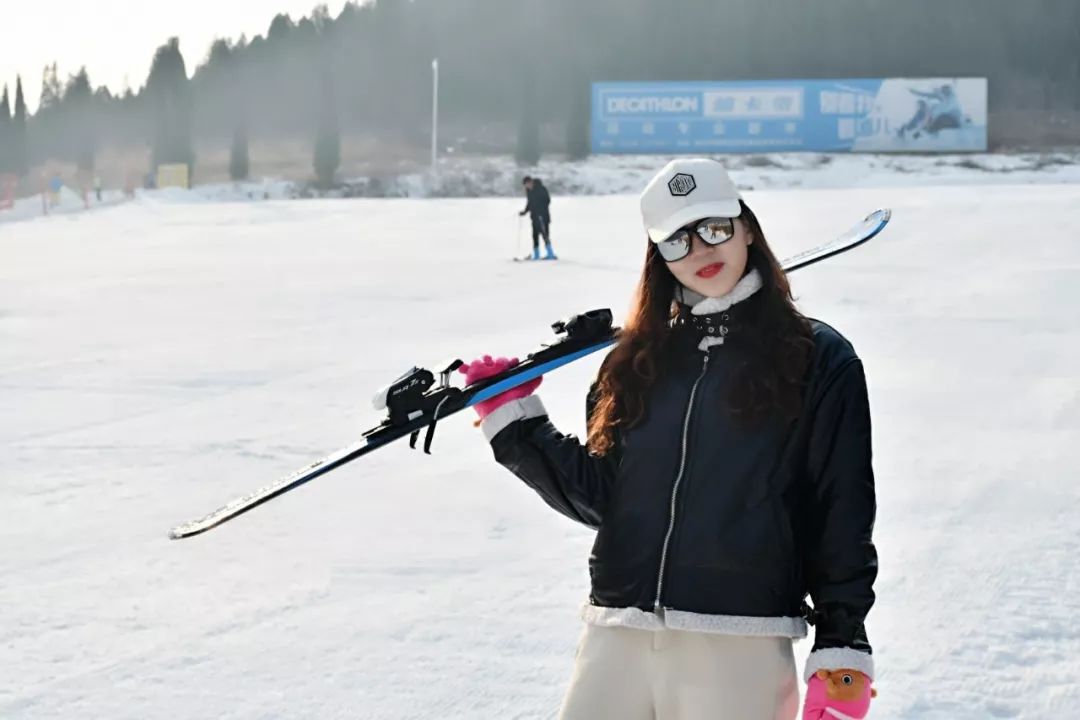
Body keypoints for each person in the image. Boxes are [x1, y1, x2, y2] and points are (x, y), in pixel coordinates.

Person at [460, 158, 878, 719]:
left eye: (714, 228)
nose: (701, 250)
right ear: (659, 256)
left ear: (746, 227)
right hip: (617, 637)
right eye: (678, 240)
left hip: (739, 645)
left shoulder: (817, 357)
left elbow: (841, 509)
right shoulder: (636, 362)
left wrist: (841, 644)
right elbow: (610, 499)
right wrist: (514, 423)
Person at [519, 176, 556, 260]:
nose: (526, 186)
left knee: (545, 234)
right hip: (534, 217)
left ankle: (550, 254)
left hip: (543, 216)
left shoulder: (541, 189)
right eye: (525, 185)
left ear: (531, 182)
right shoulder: (529, 191)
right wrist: (525, 212)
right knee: (534, 235)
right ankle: (536, 255)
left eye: (527, 184)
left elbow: (547, 200)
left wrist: (540, 210)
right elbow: (530, 203)